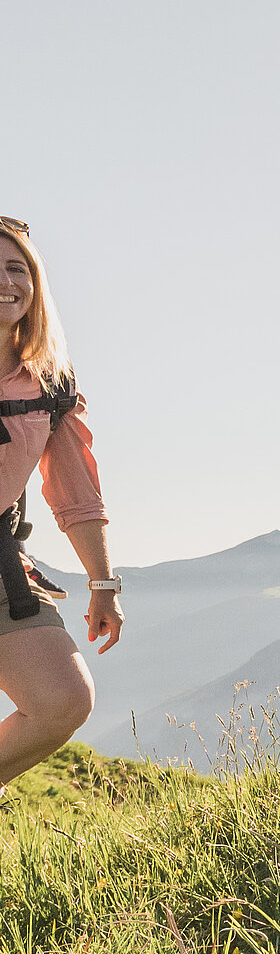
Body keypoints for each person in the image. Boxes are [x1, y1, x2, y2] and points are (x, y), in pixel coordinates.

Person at [0, 217, 123, 789]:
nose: (6, 282)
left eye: (16, 268)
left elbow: (76, 493)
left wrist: (102, 583)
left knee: (63, 700)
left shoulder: (49, 385)